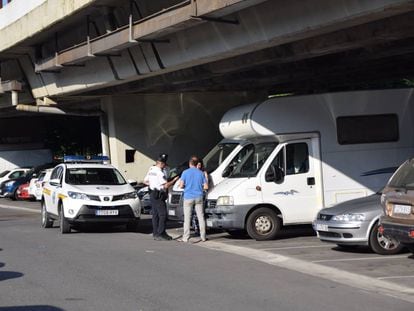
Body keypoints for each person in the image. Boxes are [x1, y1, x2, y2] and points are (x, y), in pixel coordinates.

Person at [144, 153, 178, 241]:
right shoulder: (159, 172)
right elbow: (166, 185)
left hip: (152, 193)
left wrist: (153, 185)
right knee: (163, 214)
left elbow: (145, 181)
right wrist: (174, 181)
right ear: (162, 163)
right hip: (159, 194)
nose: (164, 166)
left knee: (155, 215)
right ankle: (160, 233)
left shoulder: (151, 169)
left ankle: (156, 233)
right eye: (164, 164)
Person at [179, 156, 208, 242]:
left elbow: (181, 185)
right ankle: (203, 236)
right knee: (201, 217)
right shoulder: (201, 173)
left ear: (189, 164)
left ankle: (185, 237)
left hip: (188, 197)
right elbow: (206, 186)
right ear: (196, 164)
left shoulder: (185, 172)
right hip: (199, 196)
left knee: (187, 218)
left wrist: (186, 186)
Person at [191, 159, 209, 235]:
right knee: (194, 213)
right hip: (193, 194)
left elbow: (206, 185)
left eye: (200, 165)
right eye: (197, 165)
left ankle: (201, 230)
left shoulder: (203, 173)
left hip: (201, 193)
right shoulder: (193, 173)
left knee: (200, 212)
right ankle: (196, 228)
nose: (199, 166)